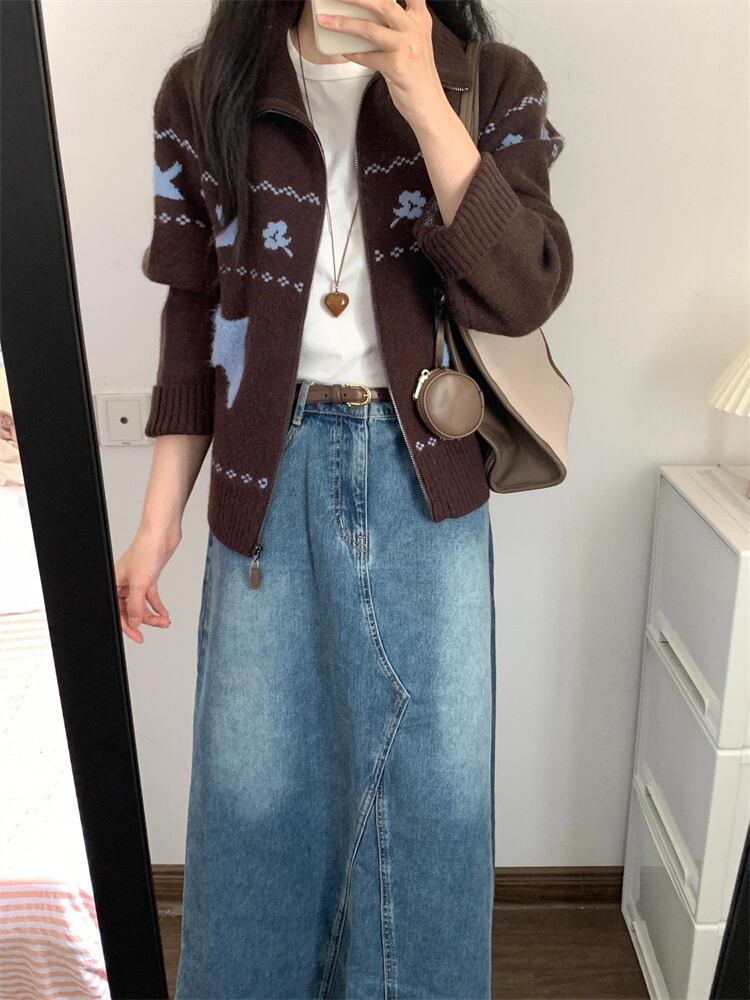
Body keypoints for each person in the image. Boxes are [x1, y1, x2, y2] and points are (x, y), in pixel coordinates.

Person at [115, 0, 573, 995]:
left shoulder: (493, 83)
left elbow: (527, 289)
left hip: (426, 484)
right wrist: (157, 522)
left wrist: (424, 95)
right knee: (254, 799)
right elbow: (195, 314)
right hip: (263, 482)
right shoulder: (205, 91)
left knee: (434, 803)